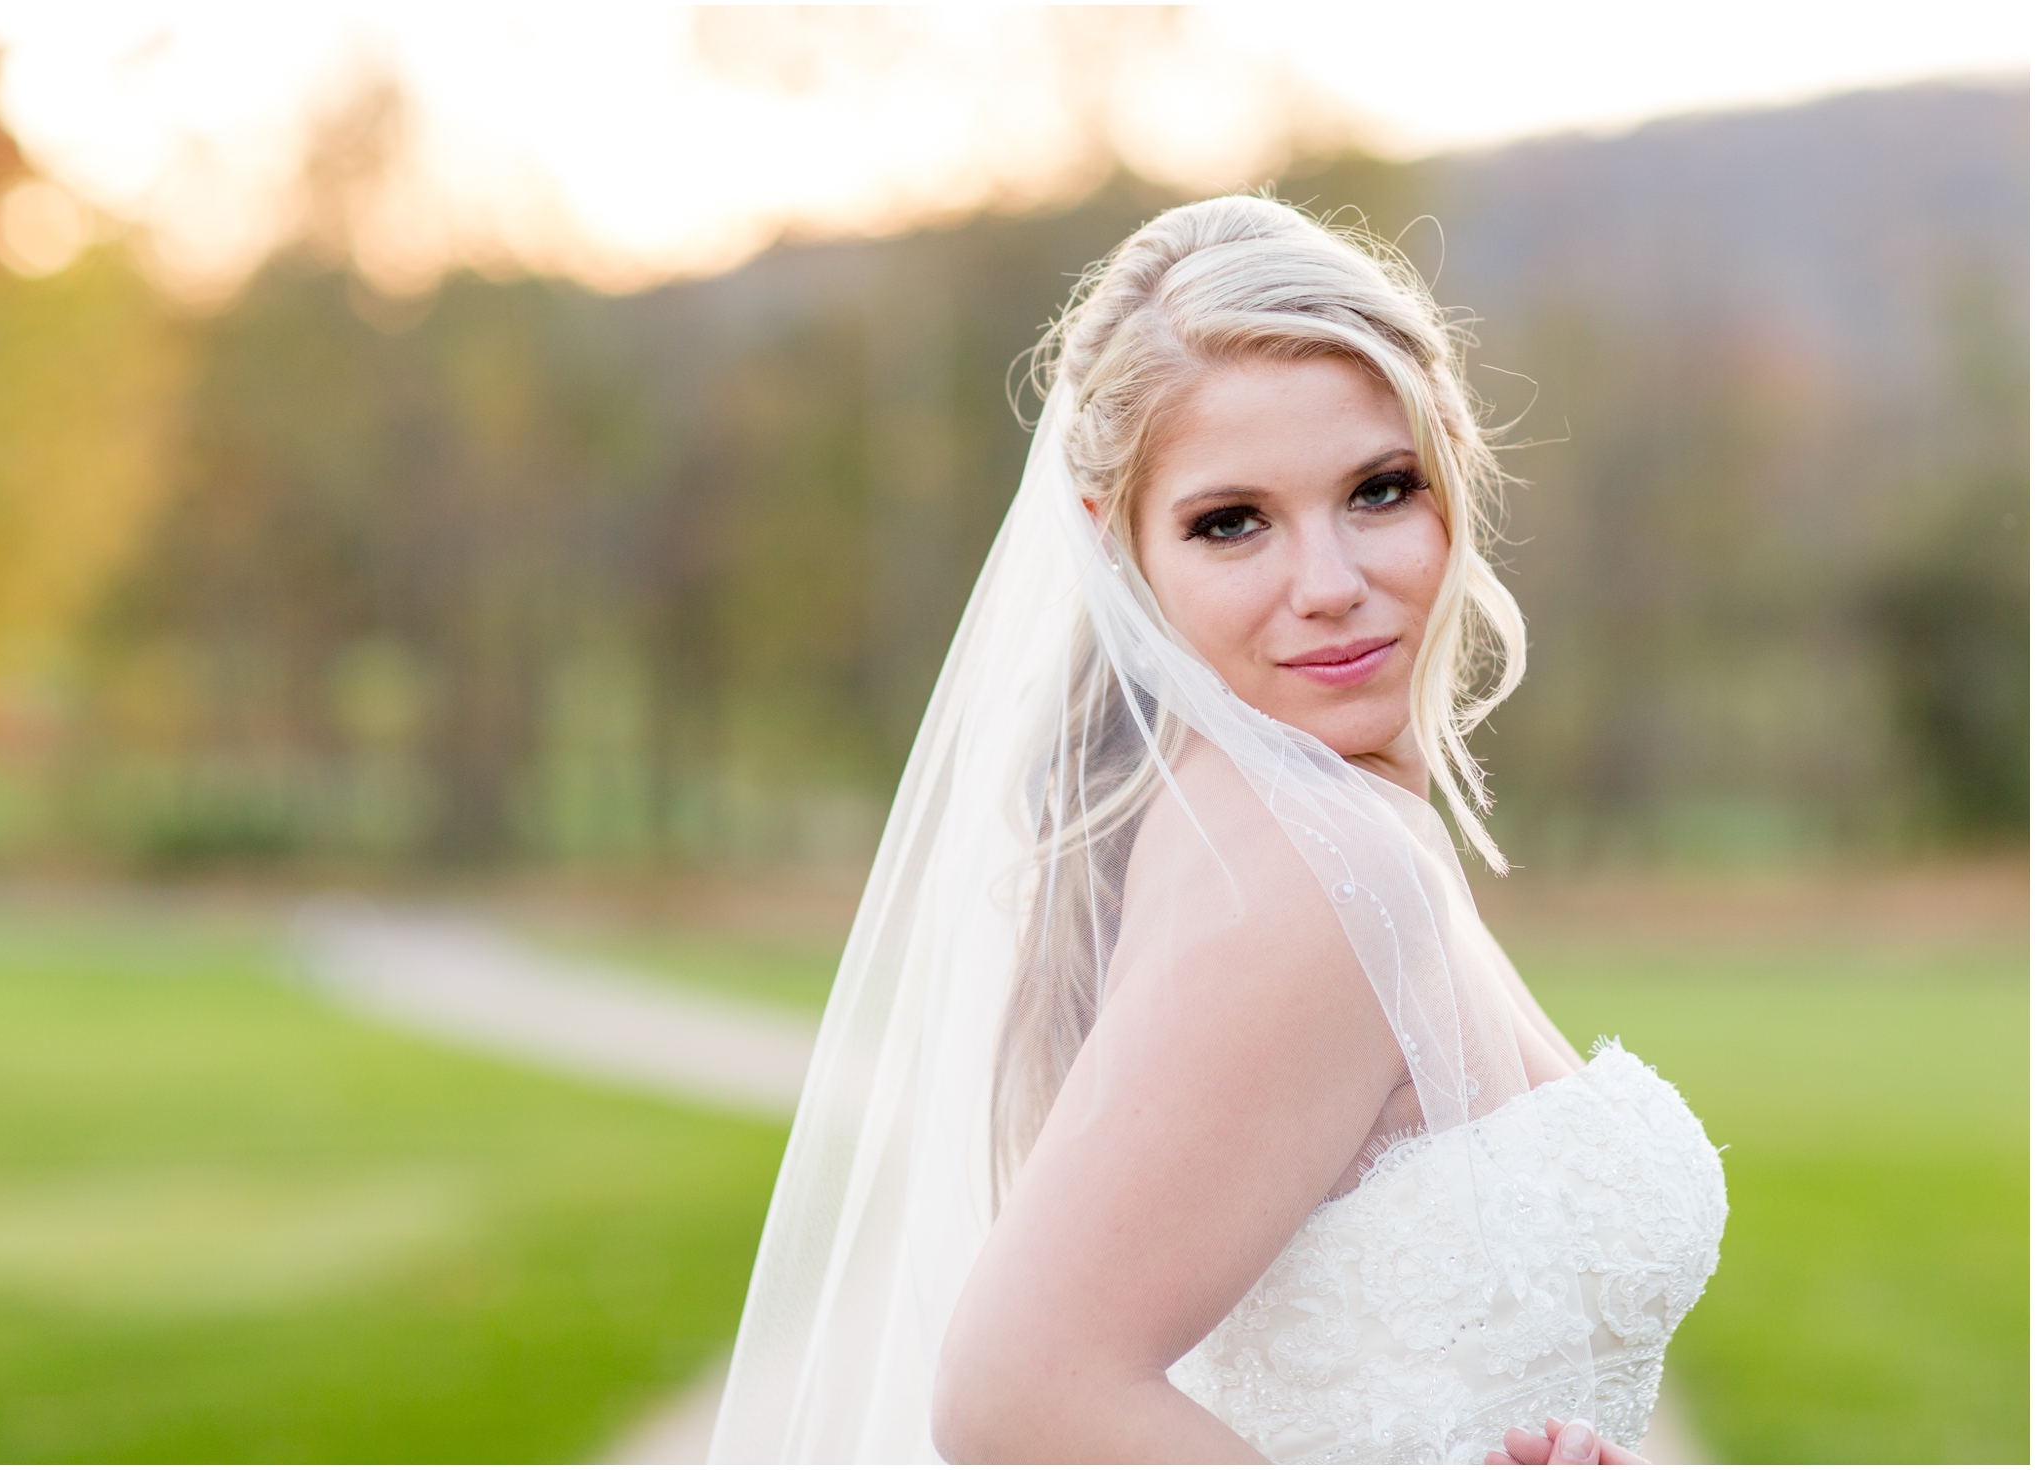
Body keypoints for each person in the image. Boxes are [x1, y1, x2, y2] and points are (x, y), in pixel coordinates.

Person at [709, 196, 1728, 1465]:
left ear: (1452, 471)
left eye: (1378, 489)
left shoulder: (1267, 816)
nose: (1329, 584)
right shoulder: (1315, 869)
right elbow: (1017, 1394)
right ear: (1116, 545)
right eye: (1230, 522)